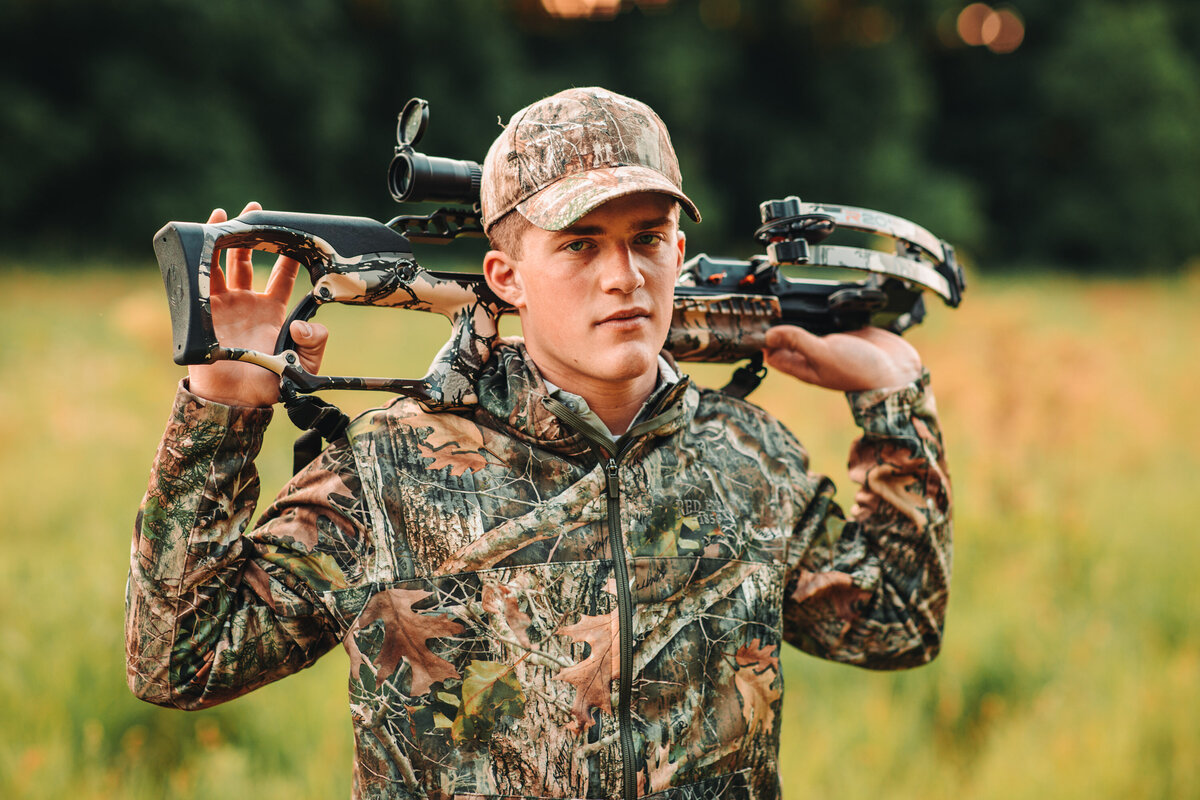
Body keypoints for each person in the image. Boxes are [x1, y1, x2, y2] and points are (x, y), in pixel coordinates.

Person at [127, 87, 951, 800]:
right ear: (506, 277)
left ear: (678, 252)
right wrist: (222, 410)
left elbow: (895, 625)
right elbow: (180, 659)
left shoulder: (746, 456)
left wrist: (894, 405)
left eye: (648, 237)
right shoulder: (392, 470)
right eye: (580, 243)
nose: (623, 274)